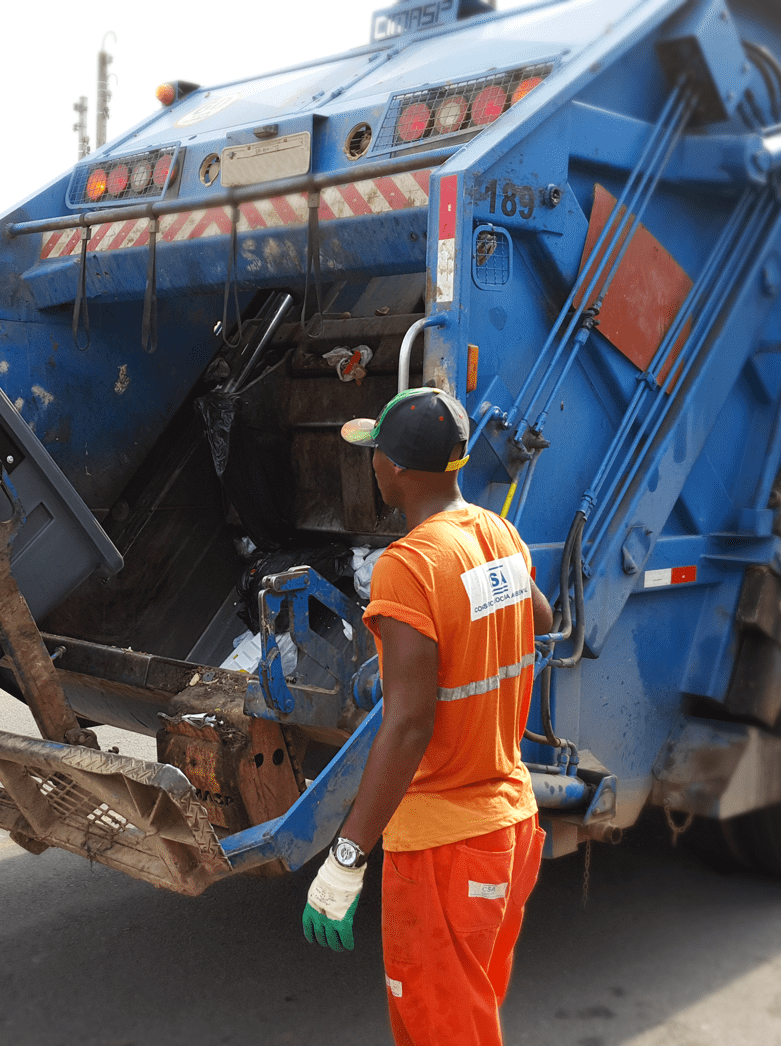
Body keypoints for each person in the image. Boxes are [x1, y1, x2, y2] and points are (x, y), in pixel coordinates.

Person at [300, 387, 551, 1046]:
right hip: (507, 827)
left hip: (445, 846)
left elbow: (408, 724)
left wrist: (347, 855)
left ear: (398, 469)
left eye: (375, 452)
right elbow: (542, 618)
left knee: (442, 1030)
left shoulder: (408, 568)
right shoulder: (494, 533)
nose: (371, 464)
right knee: (462, 1017)